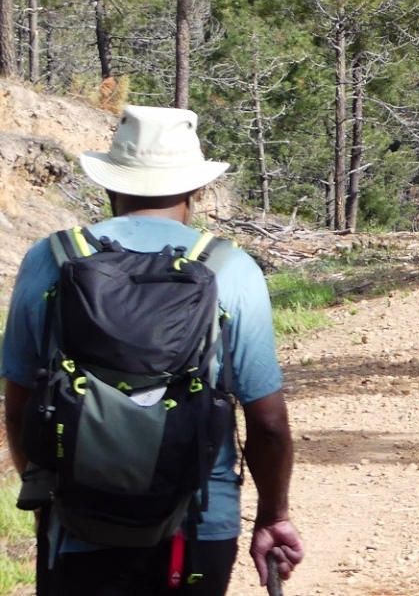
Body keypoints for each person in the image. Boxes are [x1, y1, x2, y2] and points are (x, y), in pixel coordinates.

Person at [3, 105, 303, 595]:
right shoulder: (231, 268)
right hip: (199, 525)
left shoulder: (51, 259)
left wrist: (46, 497)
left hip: (75, 524)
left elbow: (18, 409)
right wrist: (273, 516)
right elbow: (267, 424)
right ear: (196, 189)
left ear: (109, 184)